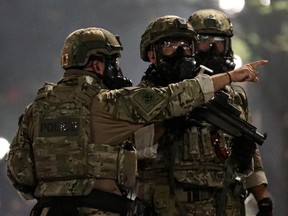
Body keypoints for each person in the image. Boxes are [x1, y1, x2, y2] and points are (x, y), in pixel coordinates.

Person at [6, 26, 266, 216]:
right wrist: (231, 76)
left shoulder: (36, 109)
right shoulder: (108, 102)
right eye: (112, 61)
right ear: (96, 65)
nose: (115, 69)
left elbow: (19, 173)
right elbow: (172, 97)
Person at [135, 15, 269, 216]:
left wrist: (262, 197)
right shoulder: (143, 96)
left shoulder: (223, 94)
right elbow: (133, 148)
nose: (180, 51)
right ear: (152, 54)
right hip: (168, 204)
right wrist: (168, 125)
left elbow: (246, 158)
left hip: (222, 202)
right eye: (170, 45)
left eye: (186, 45)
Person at [188, 9, 273, 216]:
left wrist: (262, 198)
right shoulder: (178, 90)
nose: (212, 49)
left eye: (219, 42)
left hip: (225, 198)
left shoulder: (236, 97)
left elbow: (251, 149)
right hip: (181, 197)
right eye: (204, 41)